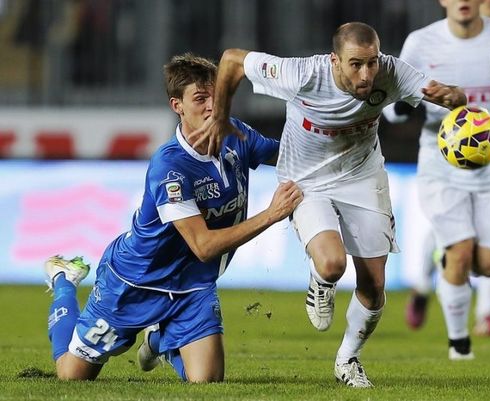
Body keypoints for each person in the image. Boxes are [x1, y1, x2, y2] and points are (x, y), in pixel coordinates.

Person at [189, 22, 466, 387]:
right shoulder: (302, 74)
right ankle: (322, 281)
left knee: (374, 285)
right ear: (335, 60)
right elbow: (232, 61)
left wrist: (453, 98)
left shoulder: (392, 72)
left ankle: (347, 360)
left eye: (372, 63)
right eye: (355, 64)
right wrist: (222, 116)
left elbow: (453, 97)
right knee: (333, 264)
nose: (366, 74)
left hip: (363, 178)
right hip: (307, 182)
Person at [44, 53, 303, 382]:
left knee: (207, 383)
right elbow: (203, 246)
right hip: (136, 280)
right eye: (199, 99)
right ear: (177, 106)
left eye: (216, 96)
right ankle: (64, 281)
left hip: (192, 286)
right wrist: (271, 215)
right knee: (72, 375)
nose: (211, 106)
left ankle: (161, 340)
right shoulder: (171, 166)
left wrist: (330, 133)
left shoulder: (238, 135)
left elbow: (292, 157)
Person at [386, 0, 490, 360]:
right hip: (440, 166)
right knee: (461, 251)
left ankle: (444, 258)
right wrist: (405, 103)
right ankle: (459, 345)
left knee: (488, 265)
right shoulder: (420, 43)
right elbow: (391, 108)